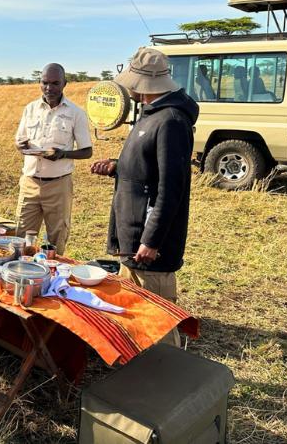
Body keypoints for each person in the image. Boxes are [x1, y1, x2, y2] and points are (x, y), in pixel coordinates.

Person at [91, 47, 199, 347]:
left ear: (142, 83)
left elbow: (171, 187)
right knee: (137, 315)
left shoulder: (171, 121)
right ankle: (144, 377)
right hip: (134, 237)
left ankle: (167, 382)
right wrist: (117, 167)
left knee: (158, 321)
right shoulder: (151, 114)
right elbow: (148, 168)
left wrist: (151, 241)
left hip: (149, 246)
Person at [14, 63, 93, 255]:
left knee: (56, 241)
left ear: (64, 83)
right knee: (22, 237)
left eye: (55, 83)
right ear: (40, 83)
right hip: (30, 183)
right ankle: (23, 278)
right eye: (45, 83)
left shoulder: (76, 113)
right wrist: (21, 146)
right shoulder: (30, 109)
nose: (49, 88)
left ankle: (53, 281)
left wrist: (62, 154)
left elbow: (87, 151)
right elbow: (19, 140)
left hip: (58, 185)